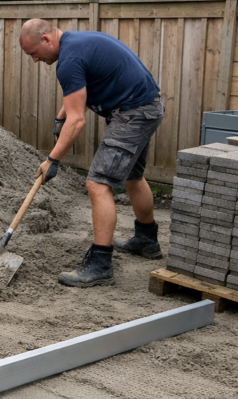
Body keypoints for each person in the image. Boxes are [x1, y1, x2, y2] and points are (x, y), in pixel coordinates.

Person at [19, 18, 164, 287]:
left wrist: (52, 159)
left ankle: (100, 264)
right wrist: (61, 116)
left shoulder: (69, 60)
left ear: (47, 40)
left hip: (133, 114)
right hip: (146, 107)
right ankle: (147, 240)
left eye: (34, 53)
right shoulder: (77, 43)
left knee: (97, 183)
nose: (35, 60)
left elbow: (77, 121)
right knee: (133, 176)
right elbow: (80, 100)